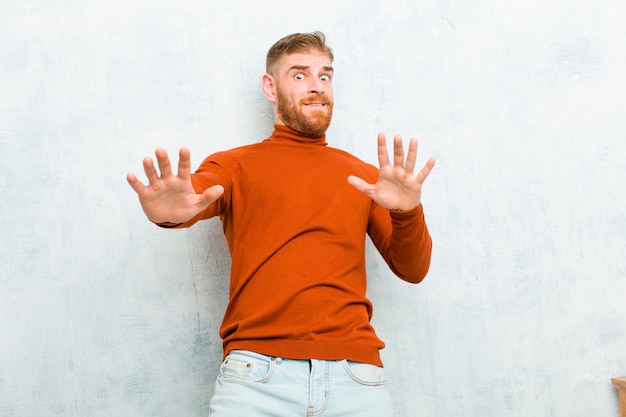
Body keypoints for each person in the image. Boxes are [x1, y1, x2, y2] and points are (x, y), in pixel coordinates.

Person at [127, 31, 436, 417]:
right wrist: (168, 211)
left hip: (356, 380)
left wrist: (407, 210)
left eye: (325, 76)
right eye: (300, 75)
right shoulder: (234, 165)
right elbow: (193, 199)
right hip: (256, 379)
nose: (316, 87)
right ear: (270, 87)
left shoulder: (365, 178)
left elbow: (413, 269)